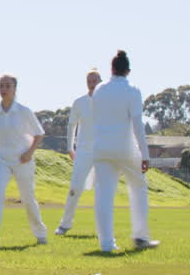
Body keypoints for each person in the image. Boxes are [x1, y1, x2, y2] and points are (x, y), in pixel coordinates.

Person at [91, 50, 158, 253]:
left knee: (103, 196)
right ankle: (140, 236)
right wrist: (145, 155)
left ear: (112, 69)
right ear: (127, 71)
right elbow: (137, 124)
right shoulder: (133, 91)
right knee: (138, 188)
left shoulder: (99, 89)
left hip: (101, 147)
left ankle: (106, 244)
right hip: (125, 147)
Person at [0, 74, 49, 248]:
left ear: (15, 89)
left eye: (7, 86)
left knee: (28, 198)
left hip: (22, 160)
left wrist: (29, 153)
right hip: (1, 160)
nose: (4, 89)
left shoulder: (24, 112)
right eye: (1, 86)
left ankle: (40, 234)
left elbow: (39, 133)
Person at [56, 69, 102, 235]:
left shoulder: (108, 102)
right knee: (75, 187)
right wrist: (70, 147)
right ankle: (65, 224)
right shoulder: (79, 102)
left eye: (95, 80)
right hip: (83, 151)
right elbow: (71, 125)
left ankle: (103, 229)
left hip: (103, 152)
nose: (92, 83)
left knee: (102, 190)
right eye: (89, 80)